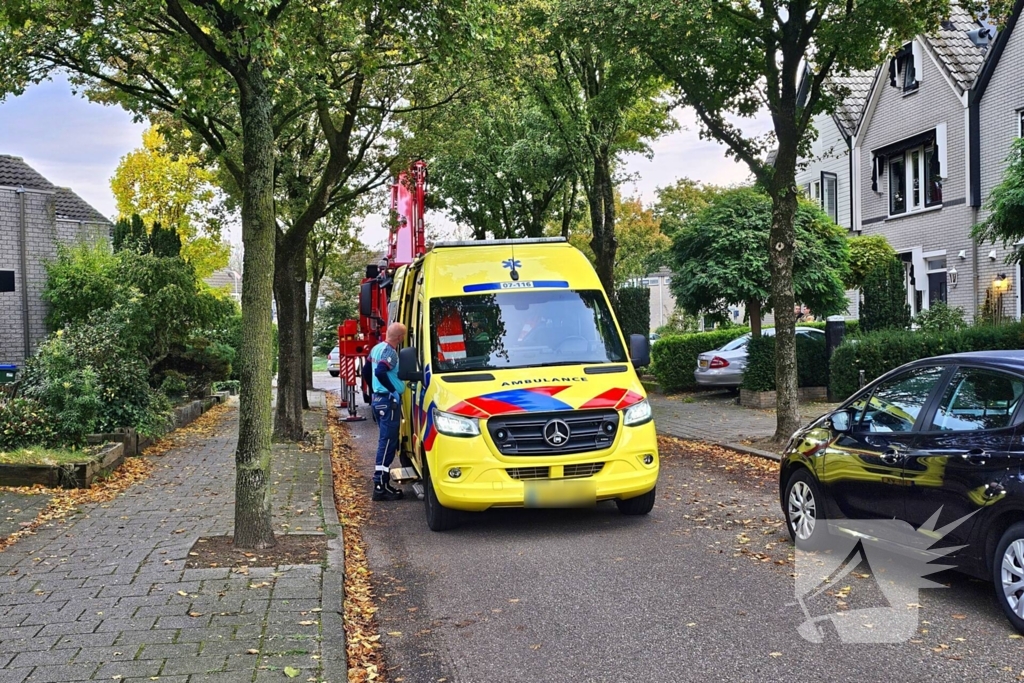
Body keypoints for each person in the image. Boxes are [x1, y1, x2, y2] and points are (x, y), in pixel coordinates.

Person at [369, 322, 407, 501]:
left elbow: (366, 369)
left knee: (386, 441)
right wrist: (392, 390)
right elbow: (380, 371)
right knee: (388, 442)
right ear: (399, 338)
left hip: (379, 399)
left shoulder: (376, 348)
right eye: (403, 336)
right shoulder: (390, 352)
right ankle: (379, 486)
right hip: (387, 401)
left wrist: (374, 391)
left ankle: (382, 483)